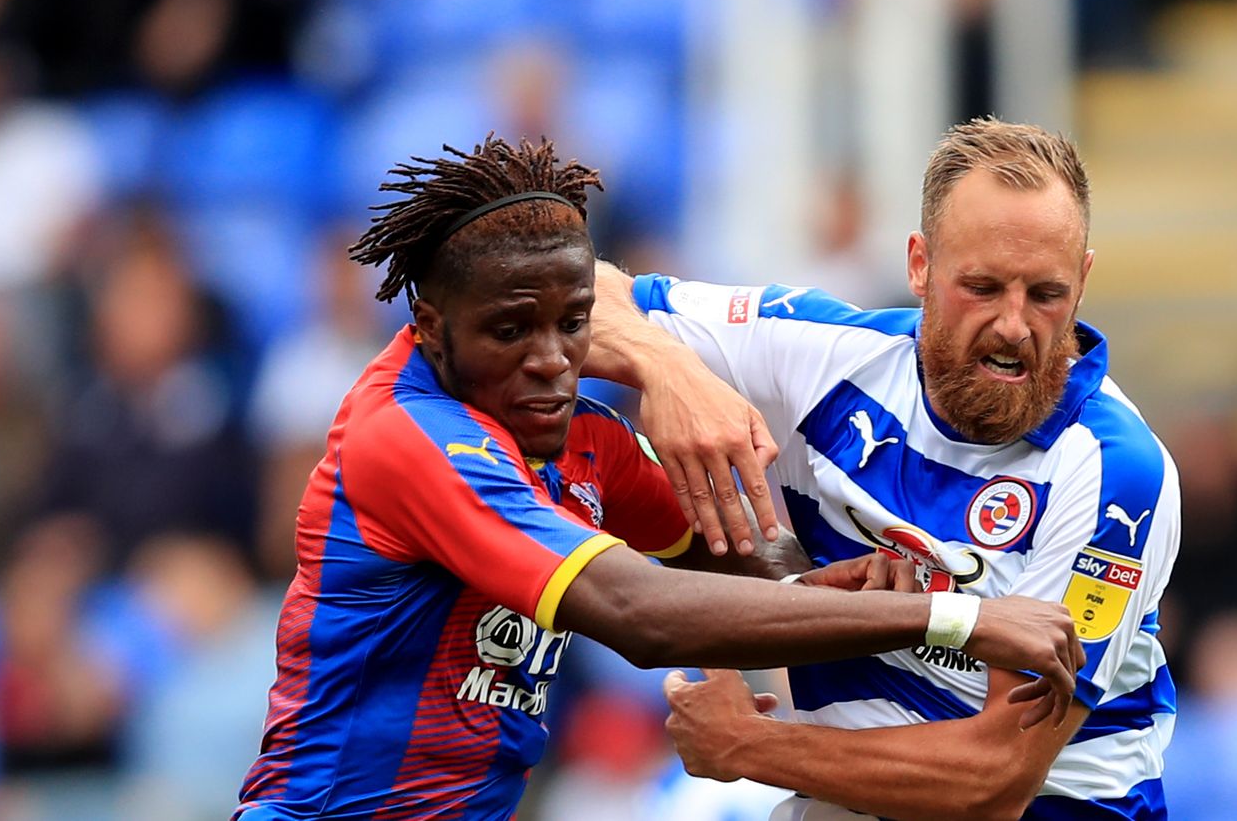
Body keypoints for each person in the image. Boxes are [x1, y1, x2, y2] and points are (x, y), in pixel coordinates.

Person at [232, 135, 1082, 820]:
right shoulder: (407, 439)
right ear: (430, 324)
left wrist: (858, 585)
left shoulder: (583, 440)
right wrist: (956, 618)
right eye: (510, 331)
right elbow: (642, 616)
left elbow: (743, 571)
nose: (551, 363)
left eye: (571, 326)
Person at [588, 118, 1181, 819]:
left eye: (1045, 294)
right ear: (920, 265)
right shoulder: (820, 357)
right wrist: (665, 370)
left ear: (1081, 280)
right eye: (983, 287)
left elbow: (996, 779)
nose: (1015, 326)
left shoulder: (1117, 472)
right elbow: (581, 293)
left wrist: (747, 745)